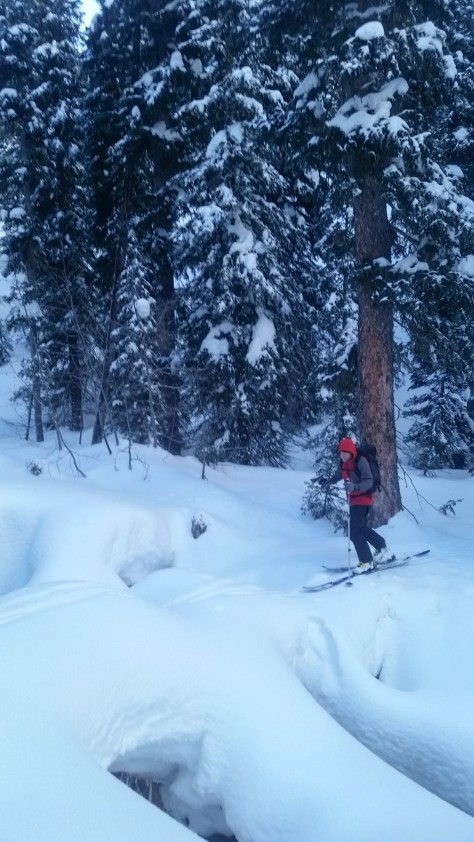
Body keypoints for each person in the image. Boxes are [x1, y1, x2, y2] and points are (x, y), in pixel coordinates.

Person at [324, 437, 387, 572]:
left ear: (351, 452)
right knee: (359, 527)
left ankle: (366, 561)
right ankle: (380, 545)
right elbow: (338, 475)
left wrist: (354, 487)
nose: (342, 455)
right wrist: (326, 481)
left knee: (353, 531)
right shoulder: (344, 463)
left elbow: (369, 481)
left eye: (345, 453)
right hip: (353, 500)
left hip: (364, 498)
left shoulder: (361, 461)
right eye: (341, 452)